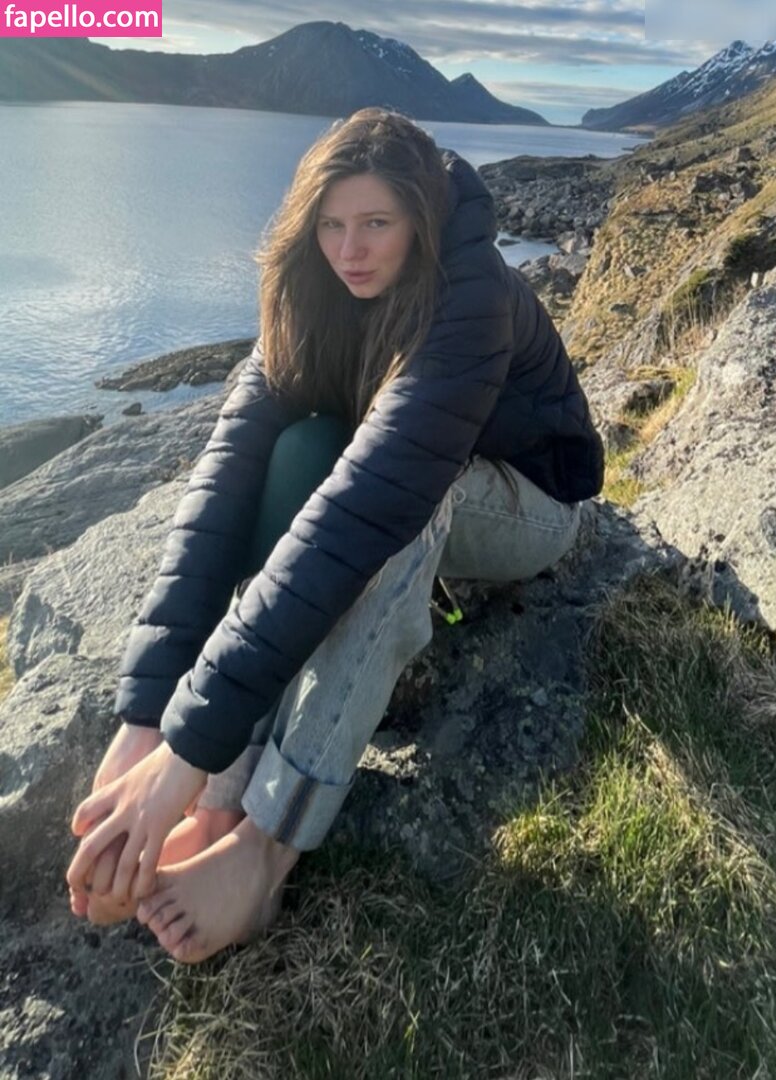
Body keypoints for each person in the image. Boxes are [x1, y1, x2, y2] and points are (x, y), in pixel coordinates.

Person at [66, 107, 604, 964]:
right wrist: (152, 719)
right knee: (293, 453)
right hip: (404, 481)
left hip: (531, 504)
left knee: (404, 505)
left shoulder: (473, 297)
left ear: (419, 221)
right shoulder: (311, 292)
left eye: (376, 224)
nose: (350, 250)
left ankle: (265, 849)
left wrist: (179, 759)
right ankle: (223, 801)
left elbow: (372, 506)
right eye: (330, 225)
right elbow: (226, 485)